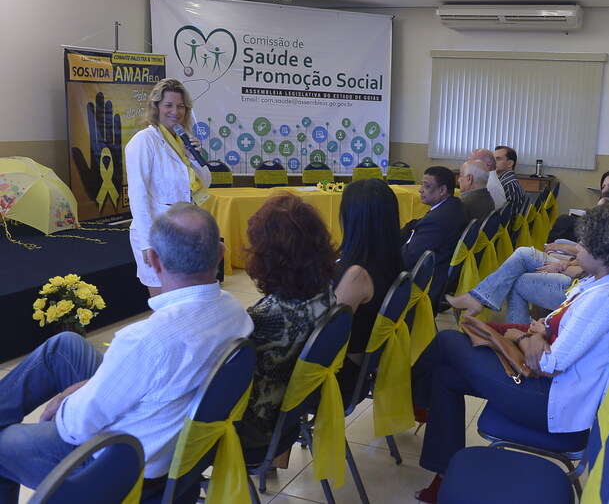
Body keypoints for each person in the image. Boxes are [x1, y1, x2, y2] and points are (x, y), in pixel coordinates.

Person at [0, 203, 253, 501]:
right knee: (65, 346)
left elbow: (75, 427)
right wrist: (92, 385)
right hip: (165, 439)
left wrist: (67, 399)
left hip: (121, 466)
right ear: (221, 252)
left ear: (153, 260)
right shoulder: (236, 311)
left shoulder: (145, 339)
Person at [412, 202, 609, 503]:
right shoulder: (603, 282)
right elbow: (550, 326)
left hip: (548, 400)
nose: (578, 247)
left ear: (604, 253)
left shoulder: (604, 300)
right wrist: (537, 334)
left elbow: (548, 364)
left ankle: (412, 398)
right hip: (547, 386)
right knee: (445, 375)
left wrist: (524, 336)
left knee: (448, 340)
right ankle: (442, 473)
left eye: (584, 243)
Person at [447, 190, 609, 323]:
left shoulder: (606, 283)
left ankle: (507, 323)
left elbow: (555, 358)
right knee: (523, 255)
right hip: (578, 280)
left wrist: (562, 266)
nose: (580, 245)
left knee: (519, 277)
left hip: (574, 285)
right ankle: (482, 301)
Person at [237, 194, 337, 463]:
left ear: (269, 256)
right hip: (292, 415)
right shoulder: (325, 292)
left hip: (254, 432)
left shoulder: (261, 319)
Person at [126, 78, 211, 297]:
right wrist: (147, 243)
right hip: (157, 234)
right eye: (169, 105)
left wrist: (193, 158)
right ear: (156, 107)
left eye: (180, 106)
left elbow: (206, 182)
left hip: (185, 231)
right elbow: (137, 194)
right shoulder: (144, 141)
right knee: (164, 300)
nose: (175, 112)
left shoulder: (183, 140)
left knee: (186, 298)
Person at [335, 179, 405, 398]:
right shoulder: (389, 258)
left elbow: (323, 333)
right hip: (362, 363)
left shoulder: (358, 274)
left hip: (341, 375)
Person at [401, 167, 468, 308]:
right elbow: (417, 224)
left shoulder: (437, 221)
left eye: (426, 186)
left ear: (442, 190)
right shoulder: (453, 206)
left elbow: (406, 259)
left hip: (426, 282)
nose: (420, 190)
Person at [548, 169, 609, 243]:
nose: (605, 190)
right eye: (603, 186)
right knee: (565, 221)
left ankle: (550, 248)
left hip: (600, 237)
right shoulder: (605, 201)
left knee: (564, 221)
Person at [494, 145, 527, 216]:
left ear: (510, 163)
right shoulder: (508, 180)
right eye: (493, 159)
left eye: (498, 159)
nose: (494, 162)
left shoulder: (508, 184)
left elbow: (510, 216)